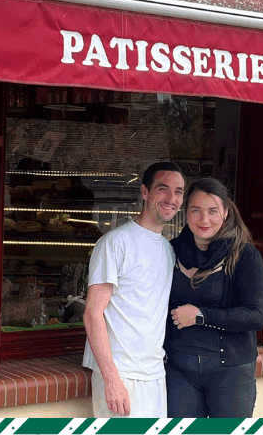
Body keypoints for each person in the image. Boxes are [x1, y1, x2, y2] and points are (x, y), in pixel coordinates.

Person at [83, 162, 185, 417]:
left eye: (179, 191)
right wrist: (111, 380)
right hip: (121, 375)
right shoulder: (114, 243)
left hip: (154, 373)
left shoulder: (168, 250)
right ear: (145, 192)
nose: (172, 198)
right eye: (163, 189)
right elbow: (93, 314)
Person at [165, 177, 263, 418]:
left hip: (230, 371)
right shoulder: (171, 251)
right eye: (196, 210)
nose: (204, 219)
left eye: (212, 211)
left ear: (225, 213)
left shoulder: (243, 255)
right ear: (186, 212)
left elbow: (256, 315)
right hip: (180, 369)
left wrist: (201, 316)